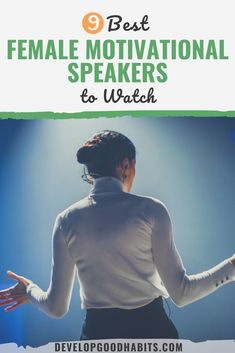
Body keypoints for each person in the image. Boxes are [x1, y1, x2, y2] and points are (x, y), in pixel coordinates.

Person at [0, 130, 235, 340]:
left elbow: (56, 308)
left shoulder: (66, 220)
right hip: (154, 337)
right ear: (125, 165)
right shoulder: (151, 210)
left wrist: (30, 290)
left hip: (97, 338)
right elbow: (182, 294)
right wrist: (231, 267)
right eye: (134, 167)